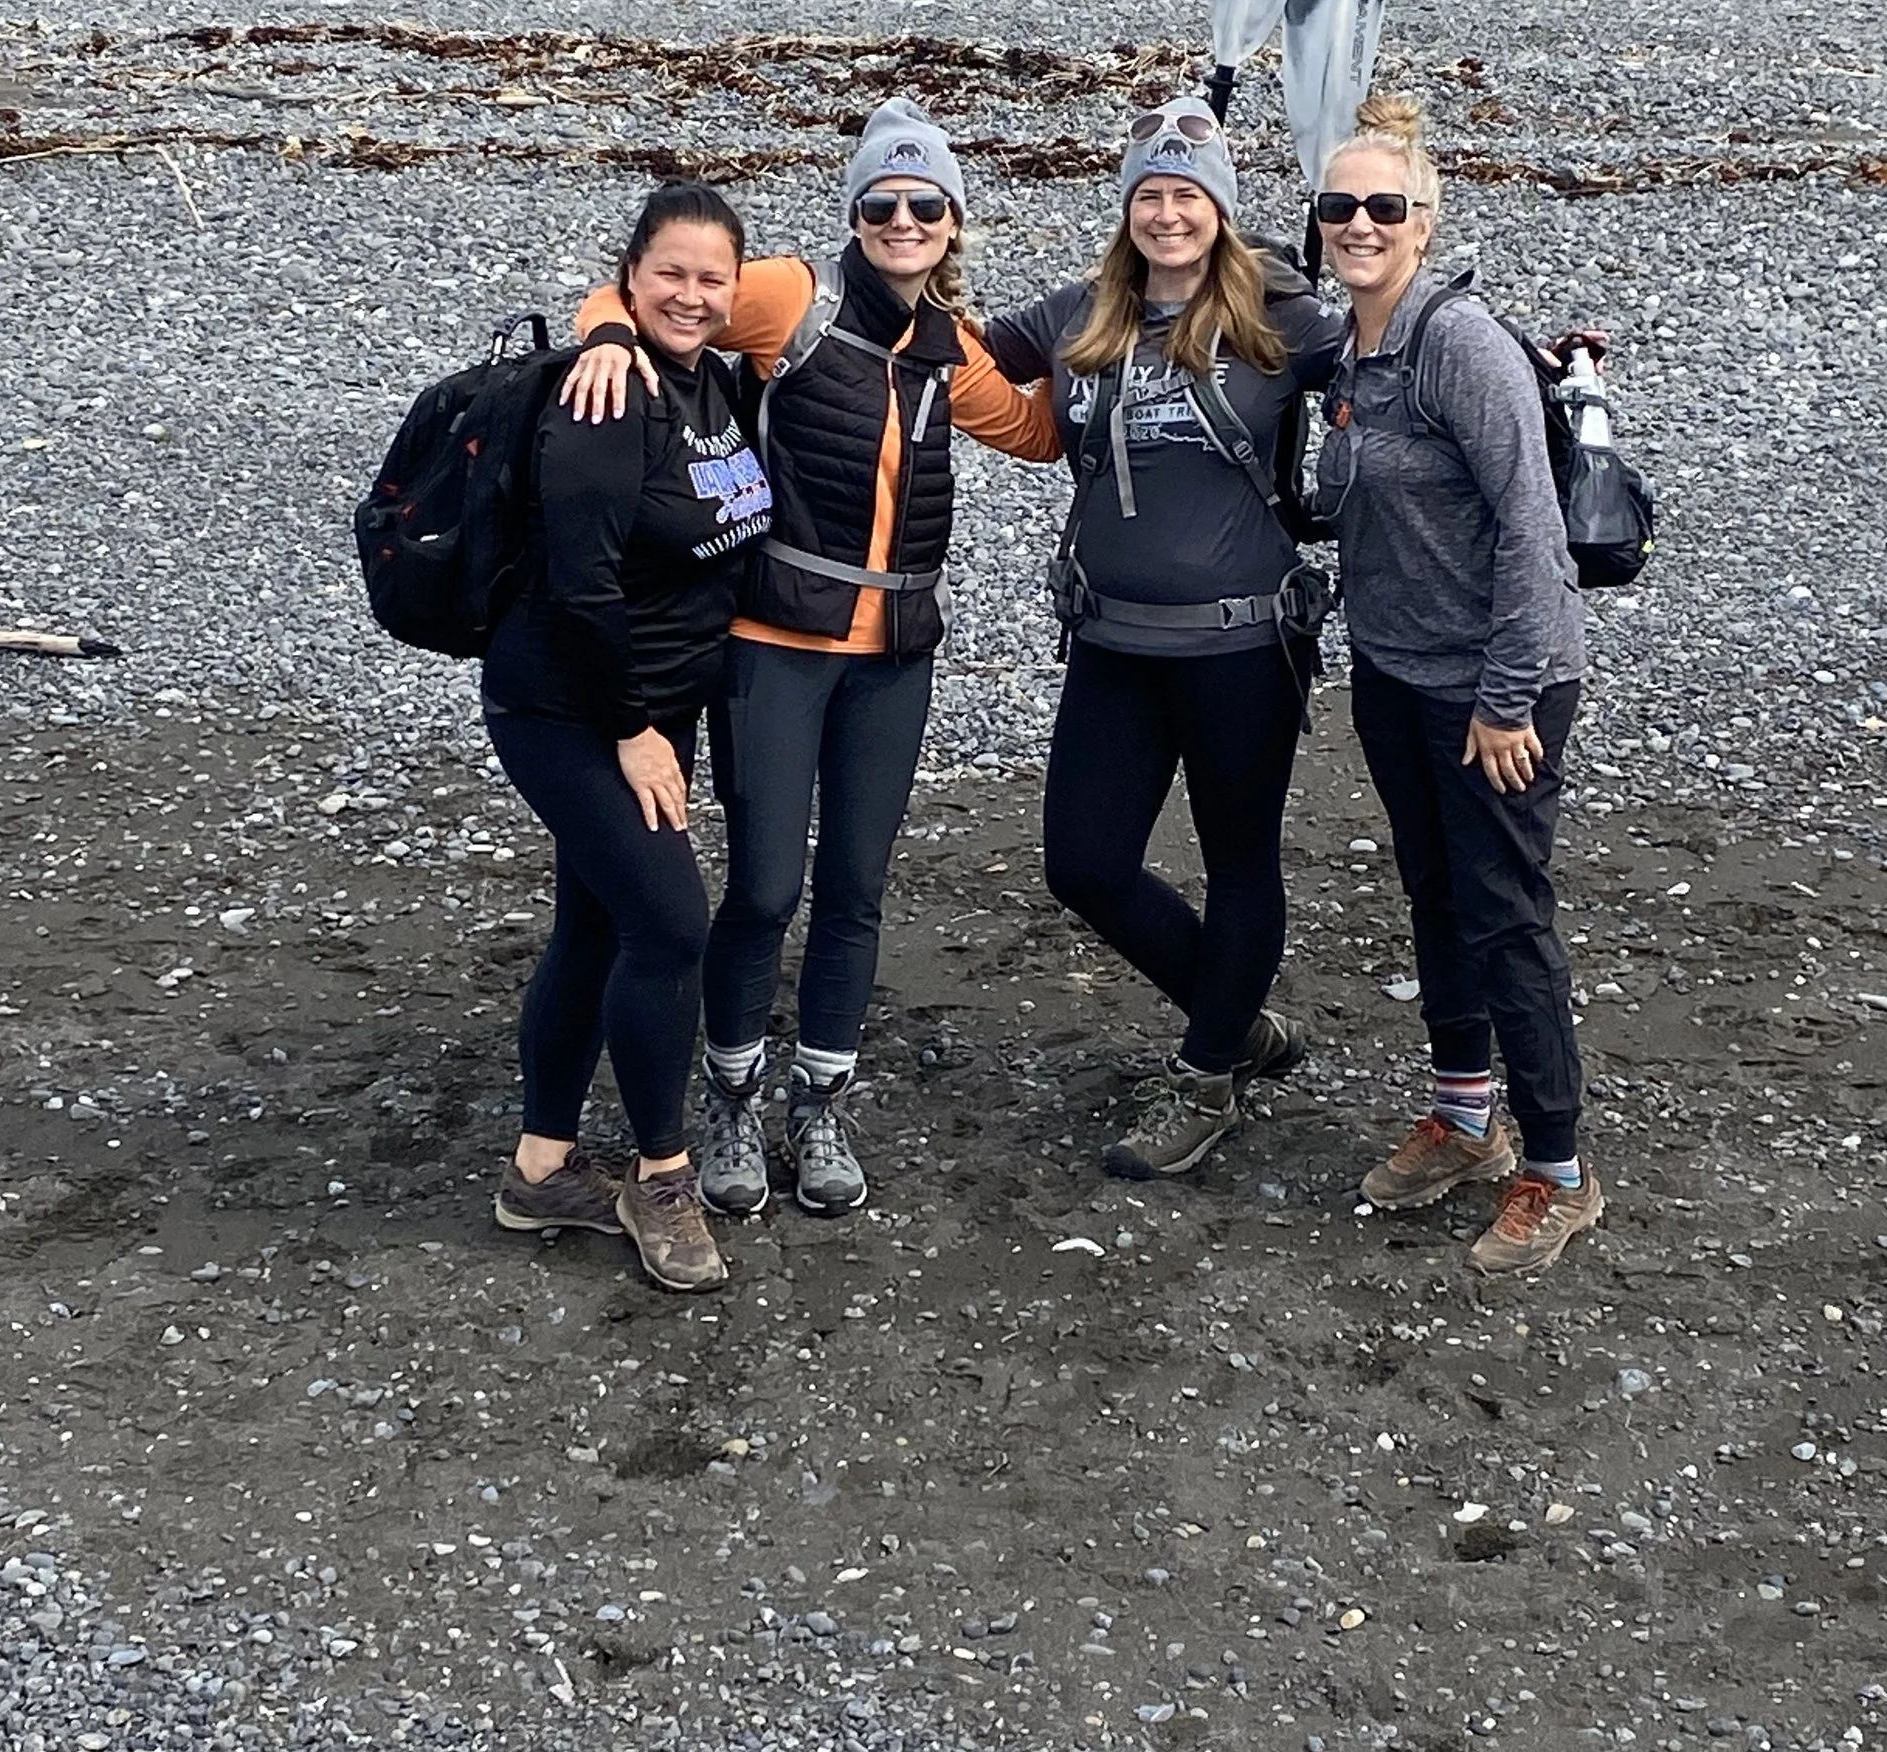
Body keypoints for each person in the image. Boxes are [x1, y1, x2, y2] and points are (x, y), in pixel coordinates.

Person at [563, 99, 1060, 1218]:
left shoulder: (948, 350)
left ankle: (818, 1099)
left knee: (854, 892)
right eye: (880, 202)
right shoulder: (796, 297)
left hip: (895, 658)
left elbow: (1036, 432)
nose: (901, 219)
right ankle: (732, 1095)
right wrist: (603, 332)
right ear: (855, 213)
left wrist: (1130, 331)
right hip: (775, 649)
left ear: (951, 223)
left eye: (923, 204)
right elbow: (659, 293)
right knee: (766, 886)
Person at [985, 99, 1341, 1179]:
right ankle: (1232, 1019)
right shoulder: (1079, 313)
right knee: (1082, 865)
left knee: (1239, 861)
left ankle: (1204, 1077)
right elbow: (939, 350)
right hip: (1111, 643)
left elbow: (1405, 353)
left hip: (1241, 648)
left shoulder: (1286, 313)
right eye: (1151, 192)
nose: (1169, 212)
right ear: (1126, 205)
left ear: (1222, 210)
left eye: (1189, 194)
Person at [1313, 94, 1601, 1278]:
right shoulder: (1350, 348)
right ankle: (1464, 1117)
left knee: (1504, 914)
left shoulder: (1460, 345)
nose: (1360, 224)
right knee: (1432, 893)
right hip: (1392, 670)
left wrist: (1504, 698)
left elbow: (1533, 533)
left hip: (1495, 685)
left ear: (1424, 224)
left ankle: (1560, 1170)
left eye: (1384, 207)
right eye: (1339, 207)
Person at [484, 181, 771, 1296]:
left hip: (655, 704)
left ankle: (541, 1170)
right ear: (632, 273)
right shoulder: (605, 399)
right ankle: (661, 1175)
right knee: (669, 928)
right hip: (574, 709)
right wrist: (635, 732)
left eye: (712, 280)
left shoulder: (705, 378)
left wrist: (607, 309)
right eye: (669, 276)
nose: (691, 296)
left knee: (596, 928)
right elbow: (581, 588)